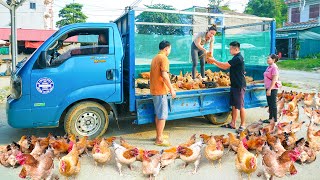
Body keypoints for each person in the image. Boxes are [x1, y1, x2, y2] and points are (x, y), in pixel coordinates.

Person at [207, 41, 246, 132]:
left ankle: (243, 125)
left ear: (236, 49)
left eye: (230, 48)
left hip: (239, 85)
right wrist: (214, 63)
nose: (229, 50)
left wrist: (214, 60)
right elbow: (225, 67)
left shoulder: (238, 58)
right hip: (234, 85)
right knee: (233, 105)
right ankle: (233, 123)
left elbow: (225, 65)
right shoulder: (235, 58)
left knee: (240, 106)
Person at [150, 40, 176, 146]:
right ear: (166, 48)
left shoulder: (155, 57)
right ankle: (159, 139)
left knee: (159, 114)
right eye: (170, 48)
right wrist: (171, 89)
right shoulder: (164, 58)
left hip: (155, 89)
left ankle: (158, 135)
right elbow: (165, 76)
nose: (170, 50)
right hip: (160, 90)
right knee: (162, 116)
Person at [254, 54, 280, 123]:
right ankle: (270, 118)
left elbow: (274, 80)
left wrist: (270, 89)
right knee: (270, 104)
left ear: (273, 60)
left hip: (272, 88)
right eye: (267, 58)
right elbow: (265, 79)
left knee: (273, 104)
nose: (267, 59)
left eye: (269, 58)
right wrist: (256, 82)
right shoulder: (269, 67)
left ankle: (274, 119)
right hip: (268, 87)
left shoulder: (274, 68)